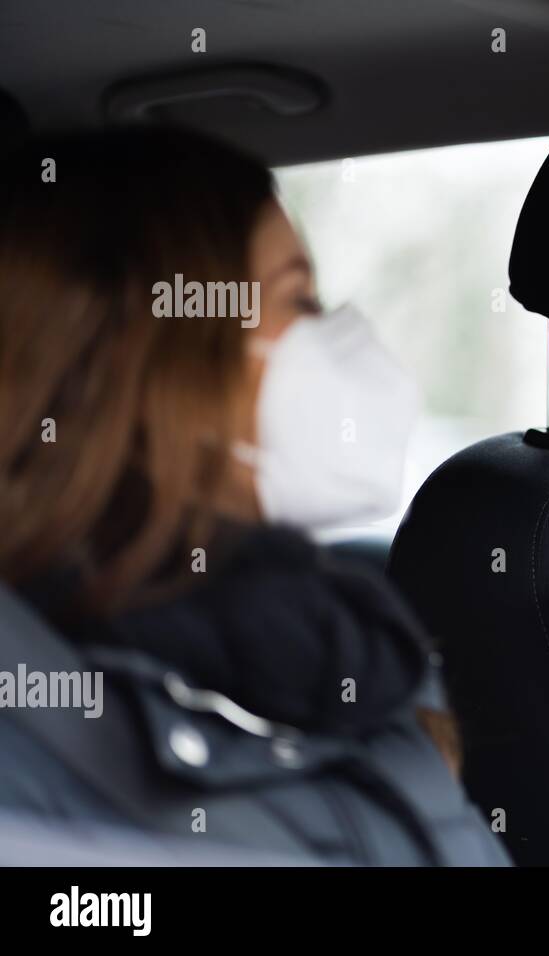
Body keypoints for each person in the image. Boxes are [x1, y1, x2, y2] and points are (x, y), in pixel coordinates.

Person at [0, 126, 503, 865]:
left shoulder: (349, 652)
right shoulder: (36, 724)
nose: (339, 334)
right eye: (299, 298)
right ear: (150, 359)